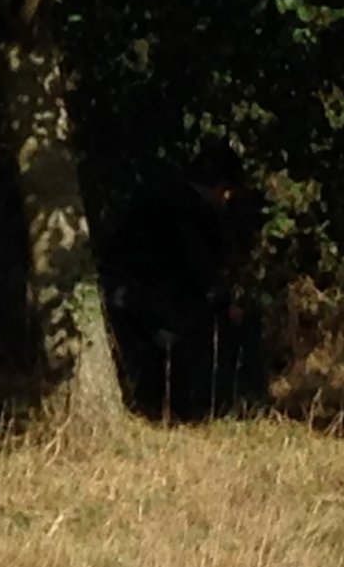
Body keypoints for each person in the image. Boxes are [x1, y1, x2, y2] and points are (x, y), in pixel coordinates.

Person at [98, 143, 271, 420]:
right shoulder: (189, 211)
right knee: (188, 338)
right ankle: (198, 406)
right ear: (223, 188)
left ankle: (158, 407)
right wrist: (224, 303)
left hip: (123, 287)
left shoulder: (167, 197)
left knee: (154, 352)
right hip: (143, 294)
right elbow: (198, 267)